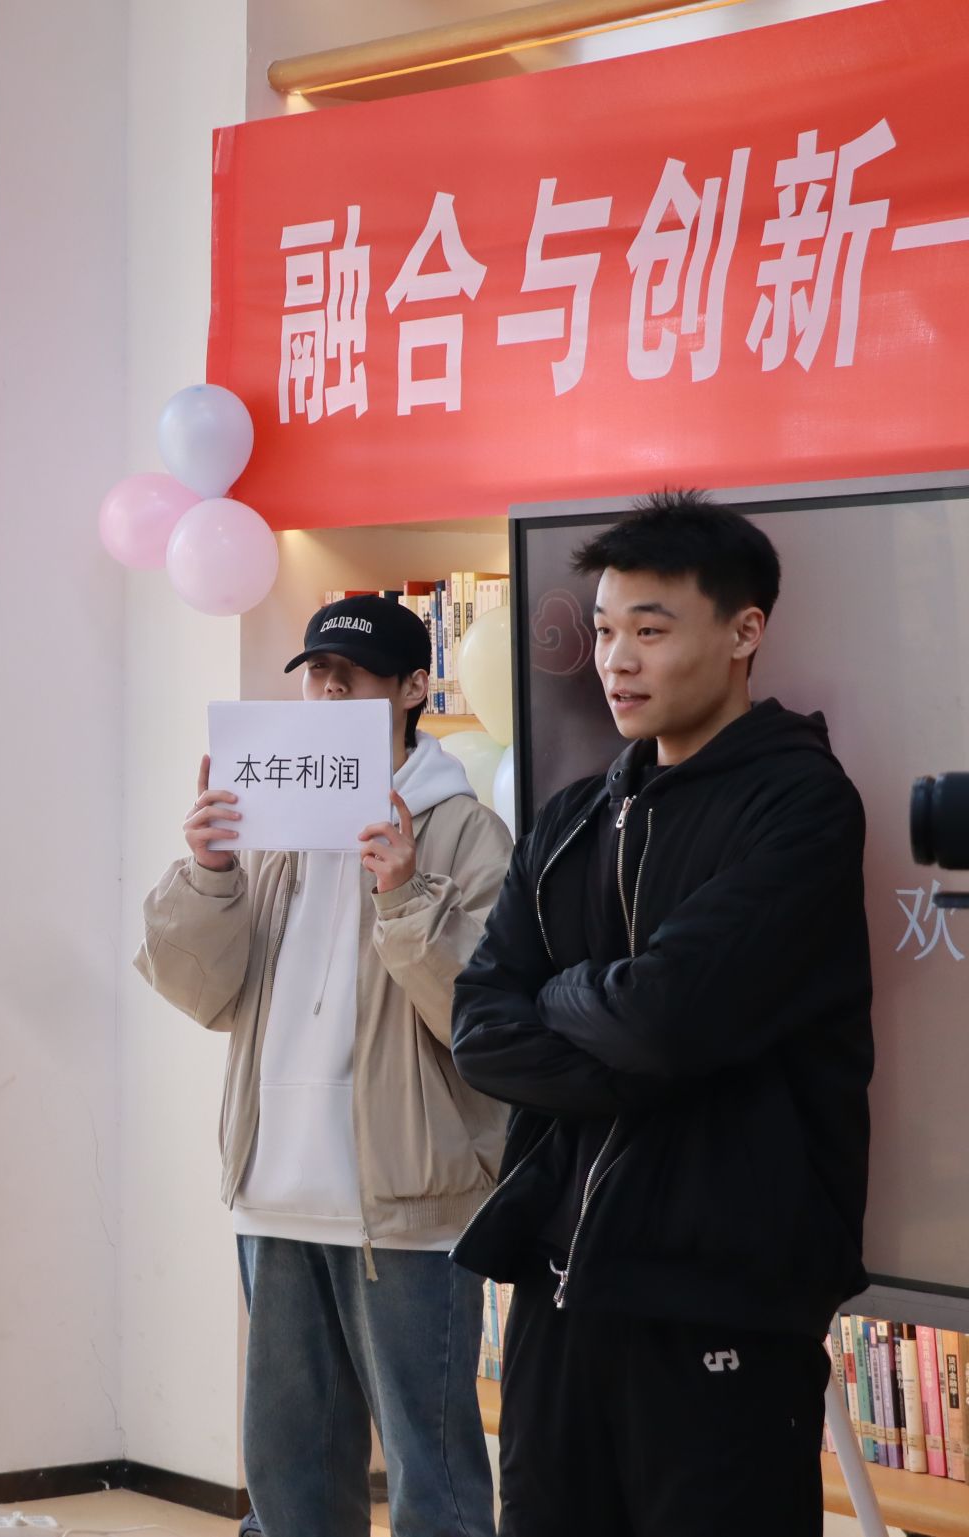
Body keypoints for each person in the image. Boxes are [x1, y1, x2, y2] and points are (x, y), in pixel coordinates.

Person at [451, 491, 872, 1536]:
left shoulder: (800, 803)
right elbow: (478, 1029)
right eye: (603, 631)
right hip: (559, 1288)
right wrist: (620, 1024)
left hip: (719, 1295)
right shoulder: (572, 817)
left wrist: (565, 995)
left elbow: (663, 1022)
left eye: (648, 629)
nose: (616, 661)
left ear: (743, 631)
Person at [136, 595, 511, 1537]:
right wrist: (211, 870)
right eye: (314, 673)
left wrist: (405, 893)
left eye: (351, 674)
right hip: (274, 1192)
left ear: (414, 687)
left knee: (432, 1477)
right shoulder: (270, 820)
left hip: (409, 1203)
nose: (327, 689)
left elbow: (481, 1016)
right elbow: (206, 993)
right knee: (289, 1475)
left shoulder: (464, 830)